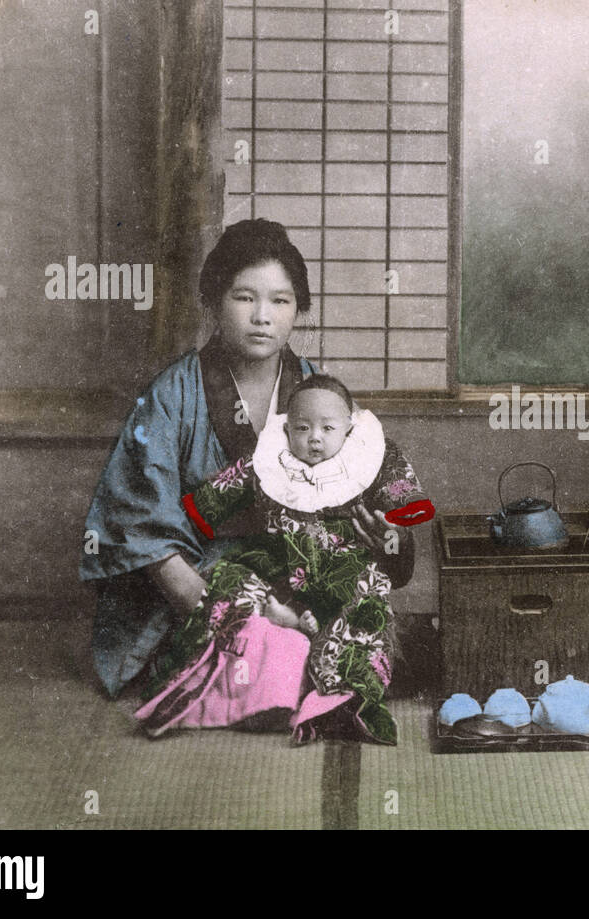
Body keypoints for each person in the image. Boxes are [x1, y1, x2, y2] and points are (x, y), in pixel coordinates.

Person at [80, 218, 418, 707]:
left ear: (298, 310)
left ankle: (293, 660)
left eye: (280, 301)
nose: (263, 316)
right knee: (261, 657)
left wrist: (385, 528)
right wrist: (223, 613)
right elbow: (140, 526)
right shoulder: (172, 393)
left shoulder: (315, 391)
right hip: (194, 583)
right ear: (214, 302)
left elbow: (363, 484)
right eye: (244, 297)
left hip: (292, 571)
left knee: (353, 622)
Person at [135, 374, 431, 744]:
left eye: (327, 427)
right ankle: (236, 673)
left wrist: (395, 527)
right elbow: (218, 494)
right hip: (278, 566)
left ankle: (336, 696)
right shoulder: (270, 458)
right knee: (231, 584)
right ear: (287, 428)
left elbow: (402, 497)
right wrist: (196, 511)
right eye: (302, 428)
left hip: (342, 567)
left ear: (349, 429)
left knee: (365, 600)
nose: (315, 438)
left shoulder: (372, 455)